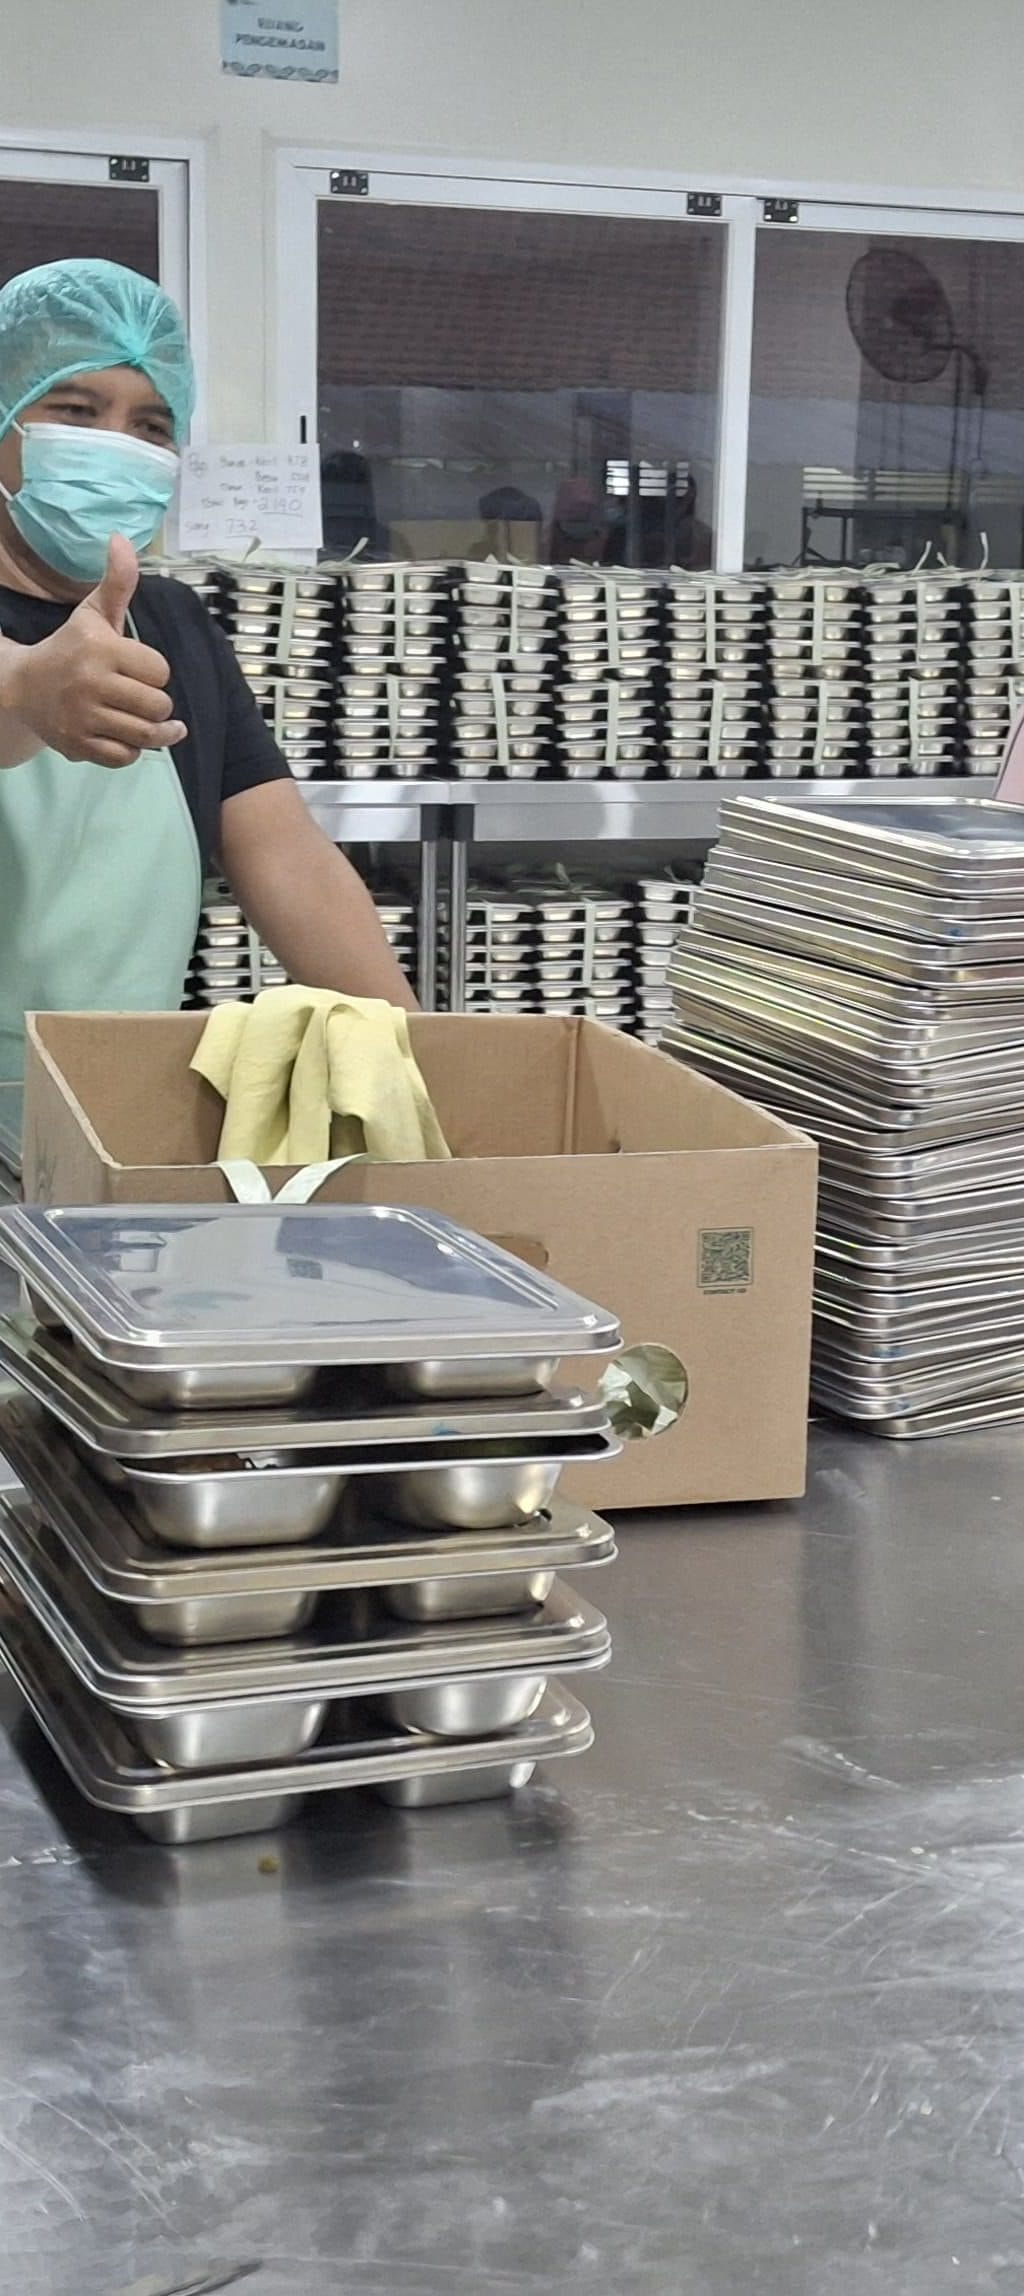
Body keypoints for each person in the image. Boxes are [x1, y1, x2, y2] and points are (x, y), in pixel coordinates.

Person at [0, 258, 417, 1085]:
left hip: (110, 1103)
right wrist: (25, 690)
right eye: (76, 412)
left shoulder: (173, 624)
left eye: (151, 426)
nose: (119, 446)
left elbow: (286, 858)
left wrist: (420, 1060)